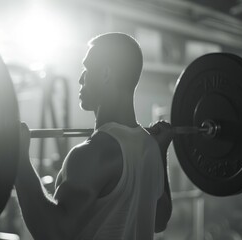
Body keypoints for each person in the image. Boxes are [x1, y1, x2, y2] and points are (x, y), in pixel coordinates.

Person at [15, 32, 172, 240]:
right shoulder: (151, 147)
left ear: (106, 74)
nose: (81, 78)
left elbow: (52, 233)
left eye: (87, 69)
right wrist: (161, 151)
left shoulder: (92, 153)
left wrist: (19, 161)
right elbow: (160, 220)